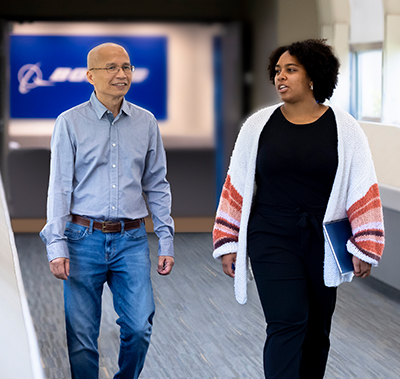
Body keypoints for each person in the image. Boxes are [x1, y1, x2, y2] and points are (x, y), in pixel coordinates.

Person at [213, 39, 384, 378]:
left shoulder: (345, 127)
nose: (281, 77)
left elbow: (363, 185)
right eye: (277, 71)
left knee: (317, 330)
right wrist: (228, 240)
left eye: (291, 70)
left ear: (313, 77)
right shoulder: (257, 126)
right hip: (270, 235)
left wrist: (366, 245)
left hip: (323, 240)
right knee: (287, 321)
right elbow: (236, 183)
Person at [40, 42, 174, 379]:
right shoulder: (69, 123)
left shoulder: (145, 122)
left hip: (131, 240)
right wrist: (56, 245)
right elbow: (59, 187)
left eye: (127, 67)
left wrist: (166, 239)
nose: (121, 74)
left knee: (140, 326)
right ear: (90, 76)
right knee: (82, 337)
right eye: (111, 67)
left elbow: (157, 184)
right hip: (82, 239)